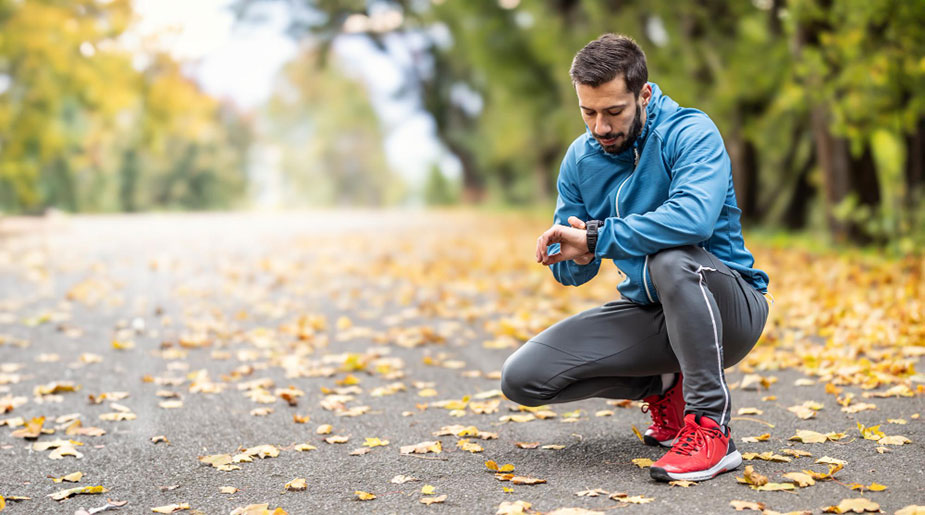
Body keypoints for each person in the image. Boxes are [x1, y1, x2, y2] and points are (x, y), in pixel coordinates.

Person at [500, 33, 771, 482]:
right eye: (588, 112)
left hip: (730, 308)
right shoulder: (580, 159)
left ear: (643, 94)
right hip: (651, 312)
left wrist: (595, 236)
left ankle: (711, 429)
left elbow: (692, 222)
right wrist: (576, 255)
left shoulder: (690, 133)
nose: (600, 128)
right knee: (524, 377)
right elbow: (572, 267)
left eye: (613, 112)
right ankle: (667, 385)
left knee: (670, 258)